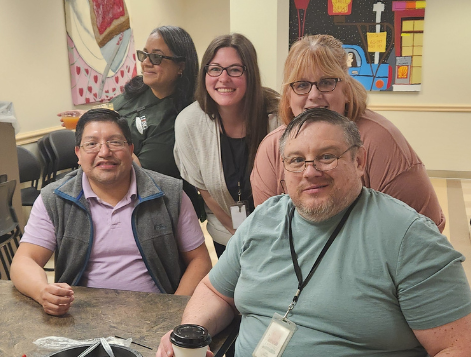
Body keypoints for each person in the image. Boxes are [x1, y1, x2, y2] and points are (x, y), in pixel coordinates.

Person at [154, 108, 471, 357]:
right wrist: (191, 333)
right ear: (283, 172)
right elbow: (216, 291)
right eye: (296, 160)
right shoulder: (264, 221)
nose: (310, 171)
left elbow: (463, 355)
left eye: (327, 156)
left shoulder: (408, 238)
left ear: (359, 161)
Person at [10, 109, 210, 316]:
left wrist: (173, 309)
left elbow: (200, 260)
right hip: (81, 316)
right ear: (78, 153)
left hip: (156, 313)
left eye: (115, 142)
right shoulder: (55, 198)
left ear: (131, 149)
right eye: (92, 144)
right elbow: (24, 261)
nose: (104, 152)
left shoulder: (170, 194)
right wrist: (42, 291)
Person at [251, 34, 443, 230]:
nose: (314, 95)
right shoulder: (272, 148)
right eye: (301, 85)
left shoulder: (380, 141)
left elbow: (424, 231)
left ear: (346, 89)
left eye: (326, 82)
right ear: (288, 95)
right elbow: (267, 233)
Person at [173, 33, 279, 255]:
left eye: (235, 69)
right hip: (228, 234)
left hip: (280, 235)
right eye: (215, 69)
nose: (223, 78)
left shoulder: (278, 118)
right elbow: (206, 192)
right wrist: (239, 234)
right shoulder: (189, 123)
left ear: (250, 74)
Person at [113, 26, 199, 181]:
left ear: (181, 66)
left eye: (156, 57)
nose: (146, 62)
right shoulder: (136, 89)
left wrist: (103, 139)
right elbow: (110, 112)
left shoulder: (179, 118)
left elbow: (141, 174)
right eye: (144, 54)